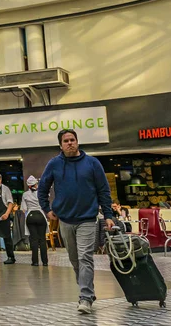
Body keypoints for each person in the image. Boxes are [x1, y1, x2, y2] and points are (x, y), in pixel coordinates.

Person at [38, 129, 114, 315]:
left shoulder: (92, 163)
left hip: (88, 219)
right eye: (66, 141)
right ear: (60, 145)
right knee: (74, 260)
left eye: (73, 140)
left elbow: (103, 190)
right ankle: (87, 290)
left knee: (85, 257)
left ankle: (85, 297)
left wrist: (108, 215)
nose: (70, 143)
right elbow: (43, 187)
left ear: (78, 142)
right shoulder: (54, 164)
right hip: (65, 220)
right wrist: (46, 209)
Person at [21, 175, 48, 267]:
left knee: (34, 239)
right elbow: (45, 204)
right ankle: (45, 262)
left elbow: (24, 209)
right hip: (40, 215)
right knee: (42, 239)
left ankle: (35, 262)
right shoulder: (41, 193)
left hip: (30, 216)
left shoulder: (25, 194)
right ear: (36, 184)